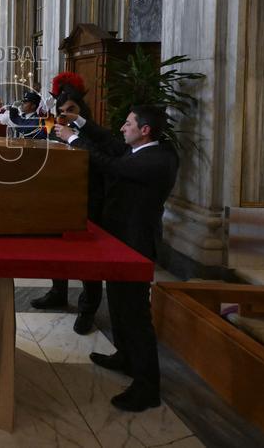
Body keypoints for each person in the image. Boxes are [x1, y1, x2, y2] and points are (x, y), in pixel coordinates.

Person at [53, 105, 179, 412]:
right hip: (119, 239)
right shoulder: (136, 149)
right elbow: (107, 141)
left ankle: (148, 387)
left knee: (136, 314)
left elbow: (110, 165)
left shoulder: (160, 159)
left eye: (128, 123)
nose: (122, 128)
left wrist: (72, 140)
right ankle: (124, 356)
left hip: (136, 243)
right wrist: (79, 122)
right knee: (119, 305)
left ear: (144, 130)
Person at [30, 74, 104, 334]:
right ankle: (57, 291)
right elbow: (39, 142)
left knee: (88, 257)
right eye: (61, 110)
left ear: (81, 109)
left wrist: (72, 136)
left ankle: (88, 307)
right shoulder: (53, 123)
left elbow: (97, 161)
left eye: (71, 110)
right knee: (56, 249)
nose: (65, 115)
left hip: (87, 198)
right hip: (57, 195)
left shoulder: (92, 130)